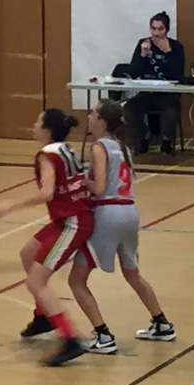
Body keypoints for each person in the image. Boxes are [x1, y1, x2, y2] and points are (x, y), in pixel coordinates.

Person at [68, 100, 176, 354]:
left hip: (109, 213)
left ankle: (103, 335)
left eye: (93, 113)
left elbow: (99, 187)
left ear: (102, 121)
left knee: (76, 279)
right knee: (132, 273)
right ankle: (162, 323)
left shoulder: (99, 147)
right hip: (129, 211)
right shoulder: (122, 147)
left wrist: (81, 181)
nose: (89, 116)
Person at [0, 109, 90, 367]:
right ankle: (43, 315)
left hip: (73, 222)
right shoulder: (66, 149)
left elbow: (47, 193)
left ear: (46, 130)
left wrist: (11, 205)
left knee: (35, 282)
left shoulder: (47, 155)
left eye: (37, 122)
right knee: (27, 254)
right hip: (68, 218)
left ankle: (70, 339)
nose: (33, 126)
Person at [125, 11, 185, 155]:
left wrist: (168, 52)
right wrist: (142, 55)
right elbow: (133, 73)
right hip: (147, 92)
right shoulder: (143, 44)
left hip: (168, 93)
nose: (156, 33)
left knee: (172, 111)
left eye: (160, 29)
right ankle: (145, 136)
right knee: (129, 109)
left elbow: (178, 75)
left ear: (167, 30)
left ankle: (166, 140)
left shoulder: (176, 47)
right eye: (153, 28)